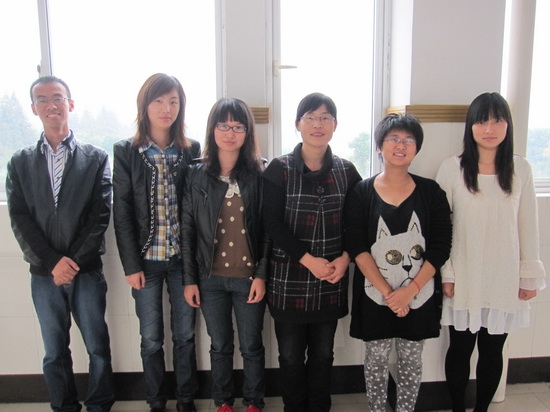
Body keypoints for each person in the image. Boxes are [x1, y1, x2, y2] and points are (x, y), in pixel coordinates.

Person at [6, 76, 115, 412]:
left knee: (97, 347)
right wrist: (53, 262)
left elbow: (100, 214)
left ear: (70, 103)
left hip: (86, 271)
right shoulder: (20, 162)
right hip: (44, 274)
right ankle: (63, 406)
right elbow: (20, 218)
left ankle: (99, 405)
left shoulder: (96, 158)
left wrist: (73, 261)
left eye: (57, 97)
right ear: (33, 108)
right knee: (54, 351)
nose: (51, 105)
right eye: (42, 99)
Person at [436, 92, 546, 412]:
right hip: (464, 272)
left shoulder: (520, 168)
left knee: (493, 349)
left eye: (498, 121)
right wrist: (447, 273)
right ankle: (458, 408)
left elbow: (528, 225)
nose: (489, 129)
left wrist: (528, 275)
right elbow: (440, 226)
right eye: (482, 121)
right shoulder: (452, 168)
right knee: (460, 349)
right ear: (471, 126)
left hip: (504, 274)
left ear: (507, 125)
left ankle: (482, 409)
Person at [345, 113, 452, 412]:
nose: (401, 145)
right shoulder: (361, 192)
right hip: (374, 295)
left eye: (408, 140)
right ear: (379, 147)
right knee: (376, 359)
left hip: (419, 296)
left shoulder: (431, 192)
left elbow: (440, 248)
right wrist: (390, 293)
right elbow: (357, 247)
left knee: (410, 359)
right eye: (393, 139)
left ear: (417, 148)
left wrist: (410, 291)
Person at [262, 92, 361, 412]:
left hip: (331, 277)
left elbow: (357, 223)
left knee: (323, 354)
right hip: (289, 279)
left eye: (325, 118)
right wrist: (307, 260)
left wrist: (345, 259)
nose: (318, 124)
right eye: (311, 118)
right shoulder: (279, 169)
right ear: (298, 124)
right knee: (290, 356)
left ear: (335, 126)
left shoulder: (347, 171)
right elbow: (271, 223)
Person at [112, 73, 201, 412]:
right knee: (150, 338)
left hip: (182, 261)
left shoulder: (190, 150)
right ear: (145, 106)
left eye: (173, 102)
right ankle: (156, 402)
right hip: (145, 262)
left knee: (185, 335)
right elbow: (122, 212)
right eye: (159, 101)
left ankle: (186, 399)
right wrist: (131, 265)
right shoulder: (127, 151)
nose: (167, 109)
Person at [182, 98, 268, 412]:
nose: (230, 133)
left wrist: (261, 274)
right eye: (223, 125)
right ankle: (223, 403)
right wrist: (190, 280)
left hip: (248, 279)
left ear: (247, 132)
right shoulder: (195, 174)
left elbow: (268, 229)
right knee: (219, 346)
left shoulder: (260, 172)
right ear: (212, 129)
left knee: (251, 346)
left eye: (238, 127)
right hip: (210, 279)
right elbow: (188, 229)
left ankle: (254, 402)